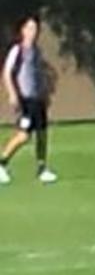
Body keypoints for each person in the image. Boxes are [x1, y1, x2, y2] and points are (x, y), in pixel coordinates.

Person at [0, 14, 56, 185]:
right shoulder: (18, 50)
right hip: (25, 99)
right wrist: (12, 93)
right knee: (24, 135)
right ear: (23, 30)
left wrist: (44, 94)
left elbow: (38, 75)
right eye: (30, 28)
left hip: (37, 98)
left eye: (36, 28)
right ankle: (2, 163)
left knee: (42, 134)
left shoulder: (37, 51)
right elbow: (7, 72)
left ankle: (42, 168)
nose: (34, 32)